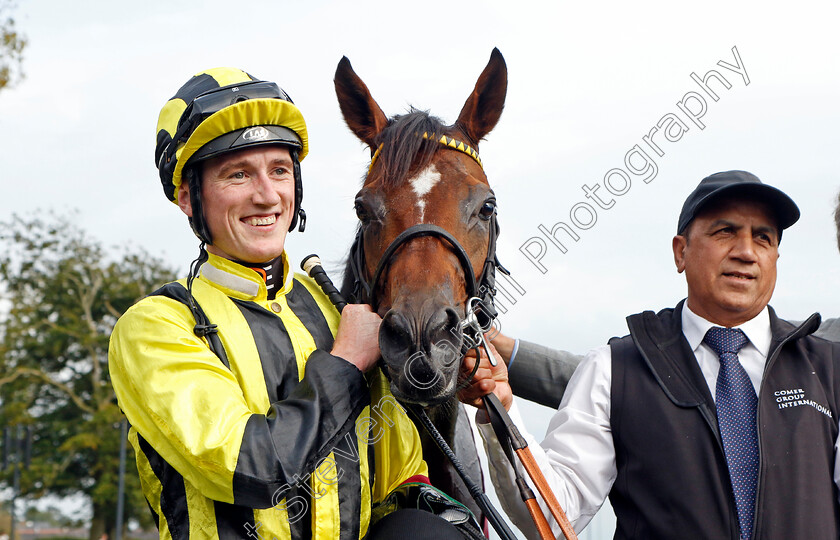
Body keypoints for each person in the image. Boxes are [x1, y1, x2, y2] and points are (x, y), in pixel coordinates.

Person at [109, 68, 476, 540]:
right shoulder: (155, 327)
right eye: (238, 174)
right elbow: (250, 466)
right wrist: (343, 366)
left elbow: (399, 473)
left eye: (279, 170)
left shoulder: (333, 307)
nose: (267, 196)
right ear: (188, 197)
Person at [461, 170, 840, 539]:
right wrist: (502, 414)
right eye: (725, 232)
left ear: (775, 258)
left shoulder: (830, 369)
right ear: (681, 252)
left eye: (763, 238)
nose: (745, 252)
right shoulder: (614, 370)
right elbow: (553, 516)